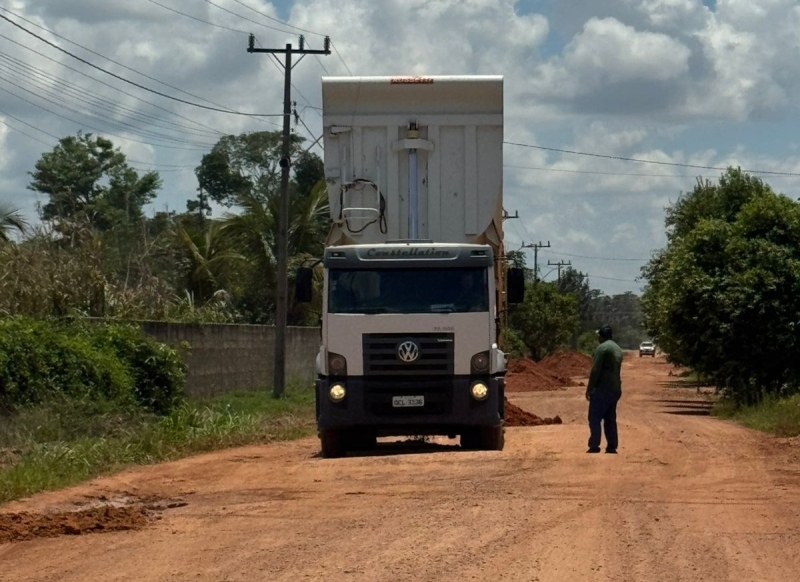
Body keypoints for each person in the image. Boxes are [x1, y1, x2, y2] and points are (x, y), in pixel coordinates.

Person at [585, 325, 623, 454]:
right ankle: (612, 446)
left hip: (602, 388)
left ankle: (594, 445)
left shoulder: (602, 348)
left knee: (594, 417)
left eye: (599, 335)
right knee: (610, 418)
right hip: (615, 388)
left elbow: (596, 370)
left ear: (602, 336)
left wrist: (590, 388)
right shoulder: (617, 348)